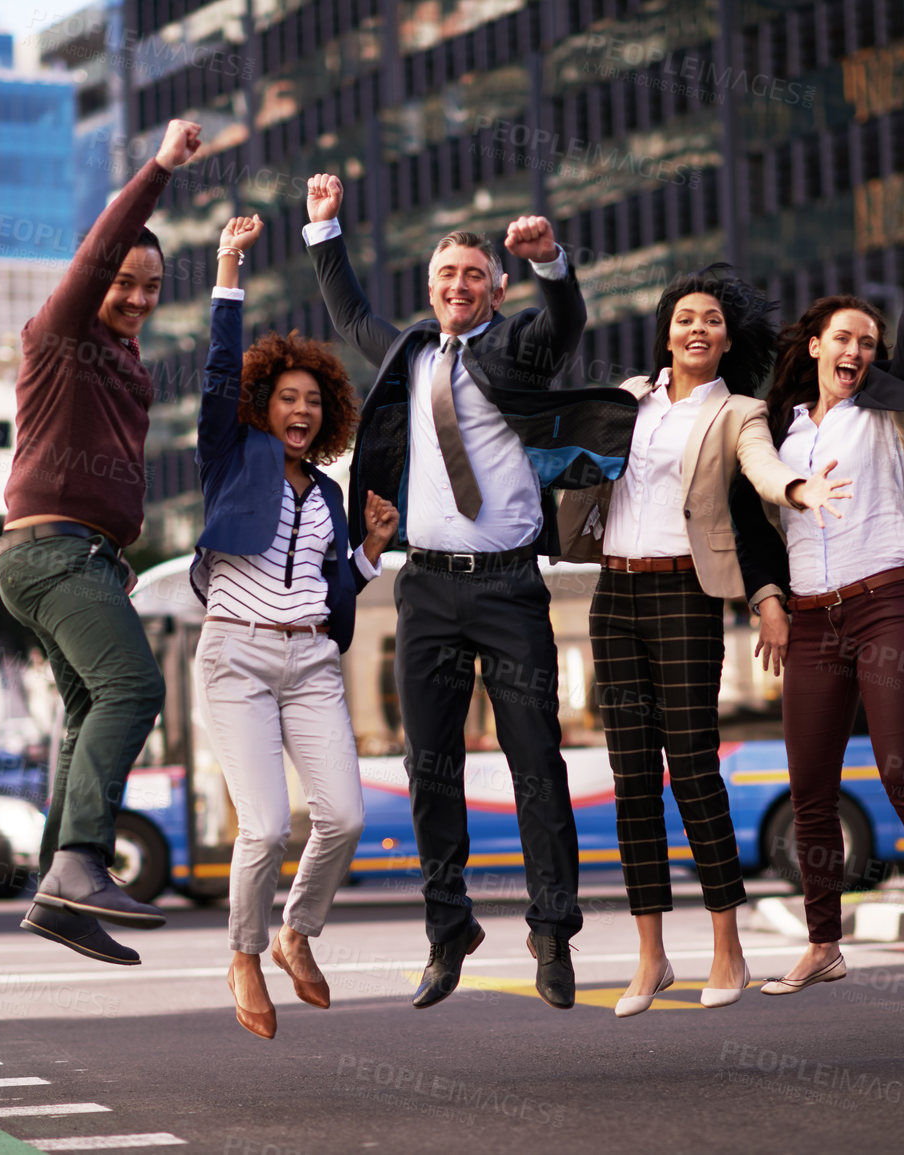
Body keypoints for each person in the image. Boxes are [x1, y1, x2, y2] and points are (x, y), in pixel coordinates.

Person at [303, 172, 638, 1010]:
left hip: (508, 589)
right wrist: (325, 229)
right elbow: (348, 316)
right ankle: (448, 929)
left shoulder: (513, 343)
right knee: (431, 767)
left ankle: (553, 930)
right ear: (430, 290)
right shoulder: (410, 353)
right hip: (425, 593)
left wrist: (553, 263)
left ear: (495, 287)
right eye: (445, 277)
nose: (458, 288)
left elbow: (565, 323)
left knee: (535, 764)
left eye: (473, 276)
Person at [730, 126, 904, 994]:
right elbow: (745, 511)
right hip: (810, 620)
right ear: (813, 345)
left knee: (900, 771)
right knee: (808, 785)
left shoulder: (886, 407)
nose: (857, 351)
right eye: (843, 338)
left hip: (887, 602)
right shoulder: (777, 431)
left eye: (868, 343)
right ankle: (822, 941)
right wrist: (767, 595)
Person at [554, 269, 852, 1016]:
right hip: (614, 593)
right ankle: (651, 956)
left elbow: (759, 469)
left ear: (725, 338)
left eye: (711, 320)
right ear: (666, 331)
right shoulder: (628, 398)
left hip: (687, 594)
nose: (696, 328)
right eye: (684, 317)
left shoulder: (740, 412)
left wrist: (798, 489)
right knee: (630, 780)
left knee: (690, 769)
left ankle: (727, 945)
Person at [0, 119, 205, 965]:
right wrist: (158, 167)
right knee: (134, 688)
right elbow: (101, 250)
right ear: (95, 278)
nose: (139, 298)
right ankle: (81, 863)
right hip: (54, 552)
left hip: (79, 559)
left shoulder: (126, 361)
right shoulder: (59, 335)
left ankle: (59, 887)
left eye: (152, 287)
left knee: (88, 707)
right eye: (124, 282)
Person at [190, 213, 399, 1039]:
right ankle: (242, 952)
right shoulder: (230, 457)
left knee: (344, 816)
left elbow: (329, 594)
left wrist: (372, 551)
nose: (302, 409)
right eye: (288, 397)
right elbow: (213, 375)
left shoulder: (329, 497)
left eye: (314, 400)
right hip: (235, 657)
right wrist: (228, 270)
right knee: (267, 825)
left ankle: (294, 934)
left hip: (310, 661)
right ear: (261, 404)